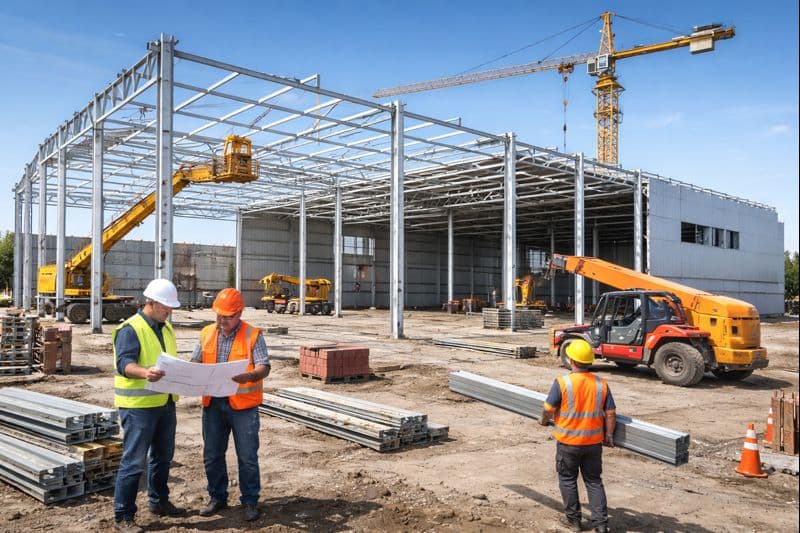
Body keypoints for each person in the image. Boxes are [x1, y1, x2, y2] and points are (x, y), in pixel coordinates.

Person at [113, 279, 186, 533]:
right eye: (166, 306)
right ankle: (123, 515)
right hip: (138, 407)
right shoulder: (130, 329)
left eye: (171, 307)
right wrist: (145, 373)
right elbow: (124, 364)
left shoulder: (166, 328)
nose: (169, 311)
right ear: (151, 302)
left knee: (163, 457)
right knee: (134, 462)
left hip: (165, 403)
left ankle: (158, 501)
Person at [192, 288, 270, 522]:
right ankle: (217, 497)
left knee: (247, 457)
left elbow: (264, 366)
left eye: (227, 316)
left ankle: (249, 501)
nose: (221, 320)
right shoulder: (206, 332)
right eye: (219, 314)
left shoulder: (253, 335)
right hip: (213, 405)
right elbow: (195, 361)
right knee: (212, 454)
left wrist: (249, 376)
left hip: (243, 407)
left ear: (239, 313)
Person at [540, 339, 616, 533]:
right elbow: (610, 413)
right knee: (593, 481)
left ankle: (573, 521)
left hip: (568, 443)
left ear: (572, 360)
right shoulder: (601, 384)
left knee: (567, 479)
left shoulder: (562, 382)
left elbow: (548, 409)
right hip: (593, 443)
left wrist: (543, 420)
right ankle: (601, 525)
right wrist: (609, 435)